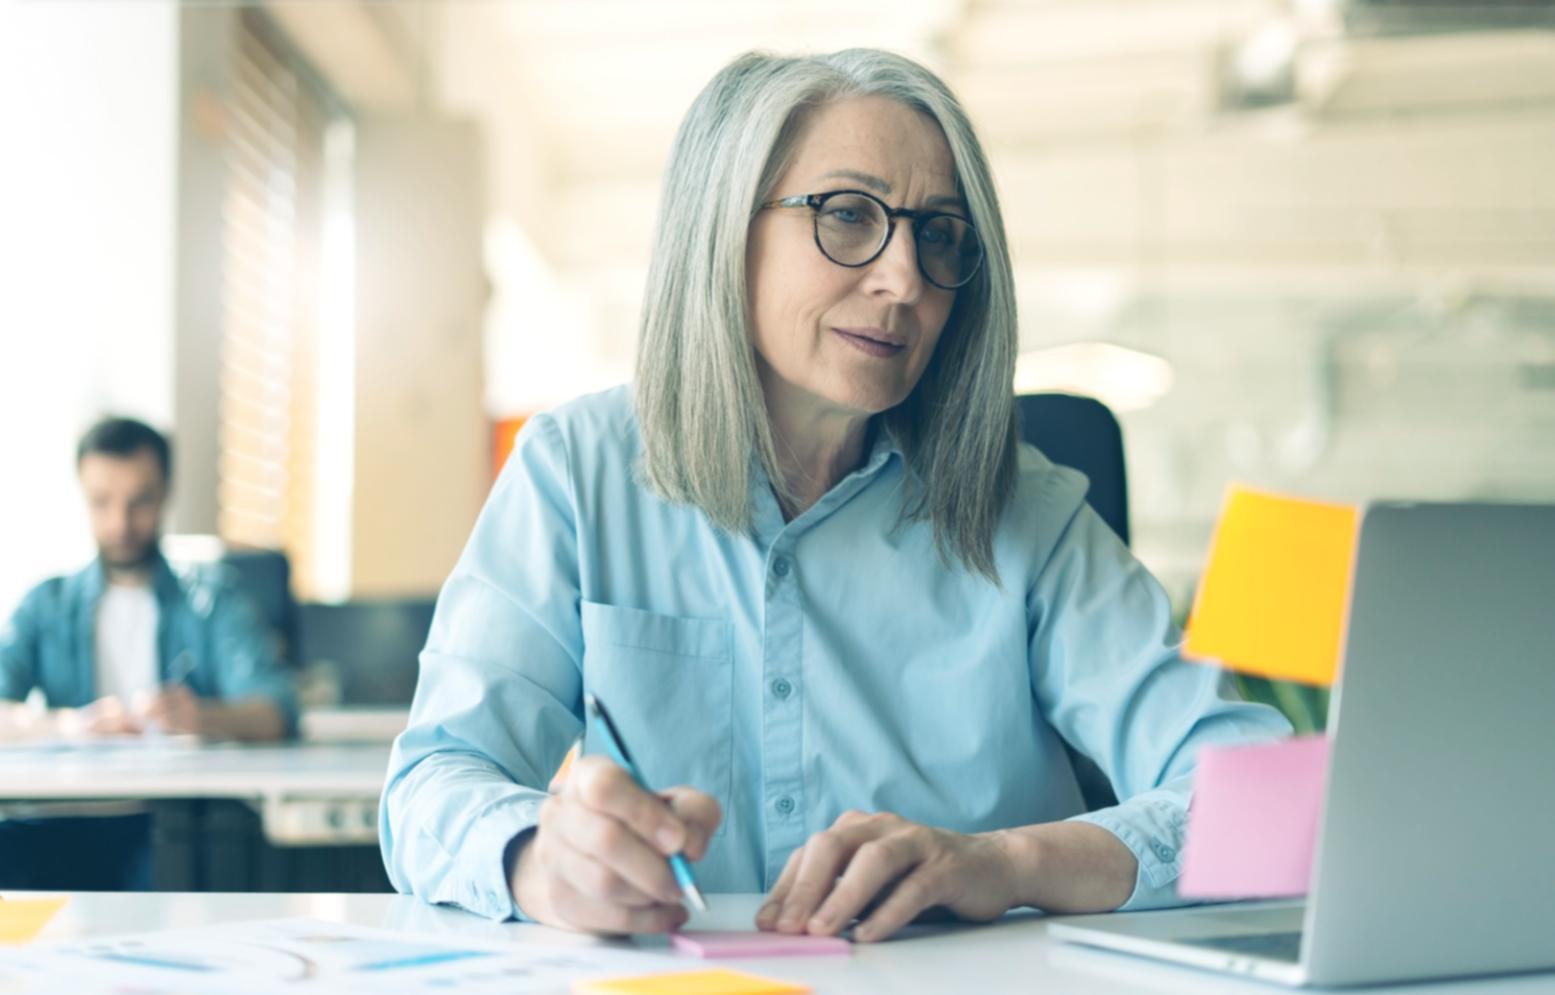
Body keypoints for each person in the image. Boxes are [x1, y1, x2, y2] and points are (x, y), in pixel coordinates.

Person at [380, 49, 1291, 941]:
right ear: (723, 230)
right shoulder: (576, 471)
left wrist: (1005, 862)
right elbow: (433, 783)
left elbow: (1267, 800)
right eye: (848, 215)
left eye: (939, 233)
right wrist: (541, 859)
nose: (904, 279)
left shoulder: (1029, 512)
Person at [0, 416, 297, 888]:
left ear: (165, 495)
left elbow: (276, 710)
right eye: (102, 502)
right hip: (62, 819)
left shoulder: (212, 600)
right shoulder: (45, 604)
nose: (120, 523)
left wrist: (203, 715)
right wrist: (68, 725)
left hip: (174, 827)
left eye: (139, 501)